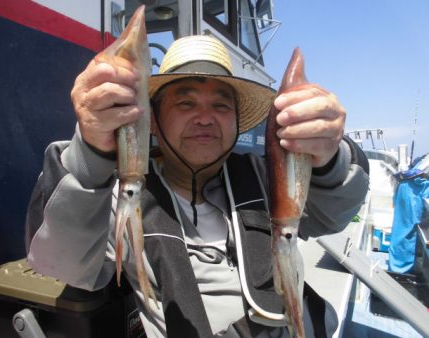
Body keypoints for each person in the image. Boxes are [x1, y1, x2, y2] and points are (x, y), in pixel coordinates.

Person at [25, 35, 369, 338]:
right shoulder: (116, 198)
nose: (205, 117)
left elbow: (335, 214)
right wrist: (91, 151)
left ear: (237, 122)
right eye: (186, 103)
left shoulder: (268, 181)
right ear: (153, 122)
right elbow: (61, 263)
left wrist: (328, 156)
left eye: (220, 105)